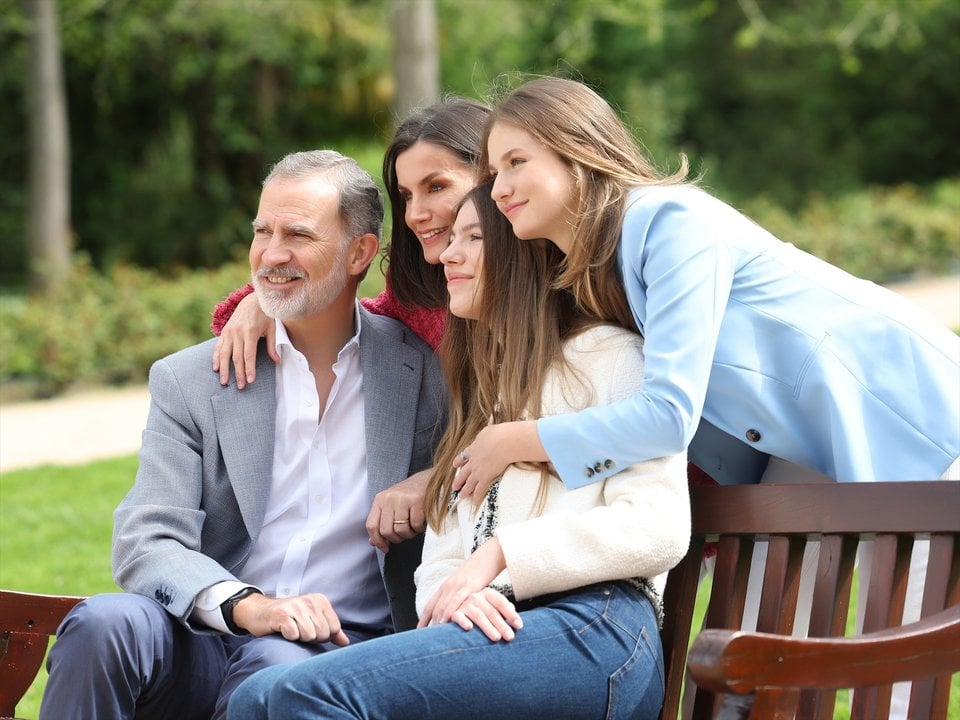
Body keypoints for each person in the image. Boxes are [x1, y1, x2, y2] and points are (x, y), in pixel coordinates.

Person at [226, 184, 690, 720]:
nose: (448, 253)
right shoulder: (484, 398)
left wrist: (500, 559)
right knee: (257, 697)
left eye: (473, 238)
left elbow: (658, 527)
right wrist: (455, 595)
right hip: (500, 628)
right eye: (452, 239)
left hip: (596, 628)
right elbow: (442, 559)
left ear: (524, 255)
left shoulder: (608, 357)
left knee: (295, 696)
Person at [39, 150, 447, 720]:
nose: (272, 254)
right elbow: (146, 539)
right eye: (263, 231)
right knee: (104, 623)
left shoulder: (424, 374)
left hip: (336, 650)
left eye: (298, 235)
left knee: (280, 672)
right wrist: (248, 606)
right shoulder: (188, 380)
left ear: (359, 252)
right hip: (205, 626)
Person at [452, 75, 960, 496]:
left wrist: (515, 440)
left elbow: (668, 415)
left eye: (517, 162)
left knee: (915, 606)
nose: (498, 188)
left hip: (904, 412)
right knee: (790, 608)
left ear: (579, 149)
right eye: (494, 171)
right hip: (805, 450)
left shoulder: (667, 222)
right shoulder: (593, 267)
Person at [211, 98, 491, 384]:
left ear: (491, 176)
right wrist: (262, 301)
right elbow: (360, 327)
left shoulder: (537, 277)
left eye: (436, 186)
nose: (415, 214)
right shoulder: (419, 293)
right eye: (406, 196)